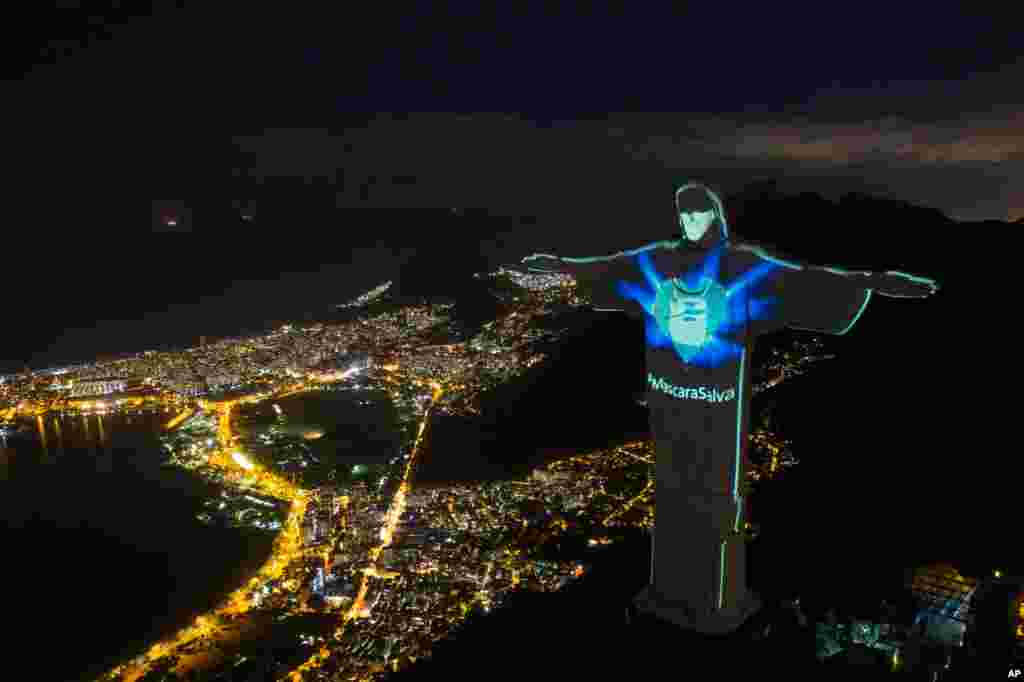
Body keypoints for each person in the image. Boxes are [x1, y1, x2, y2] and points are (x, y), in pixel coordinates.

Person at [522, 181, 940, 635]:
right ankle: (667, 593)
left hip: (716, 413)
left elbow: (803, 278)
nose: (690, 222)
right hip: (669, 404)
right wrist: (560, 265)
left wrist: (873, 282)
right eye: (684, 213)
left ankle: (712, 601)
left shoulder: (741, 264)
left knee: (716, 503)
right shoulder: (661, 260)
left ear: (715, 216)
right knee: (671, 498)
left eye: (699, 213)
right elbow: (610, 266)